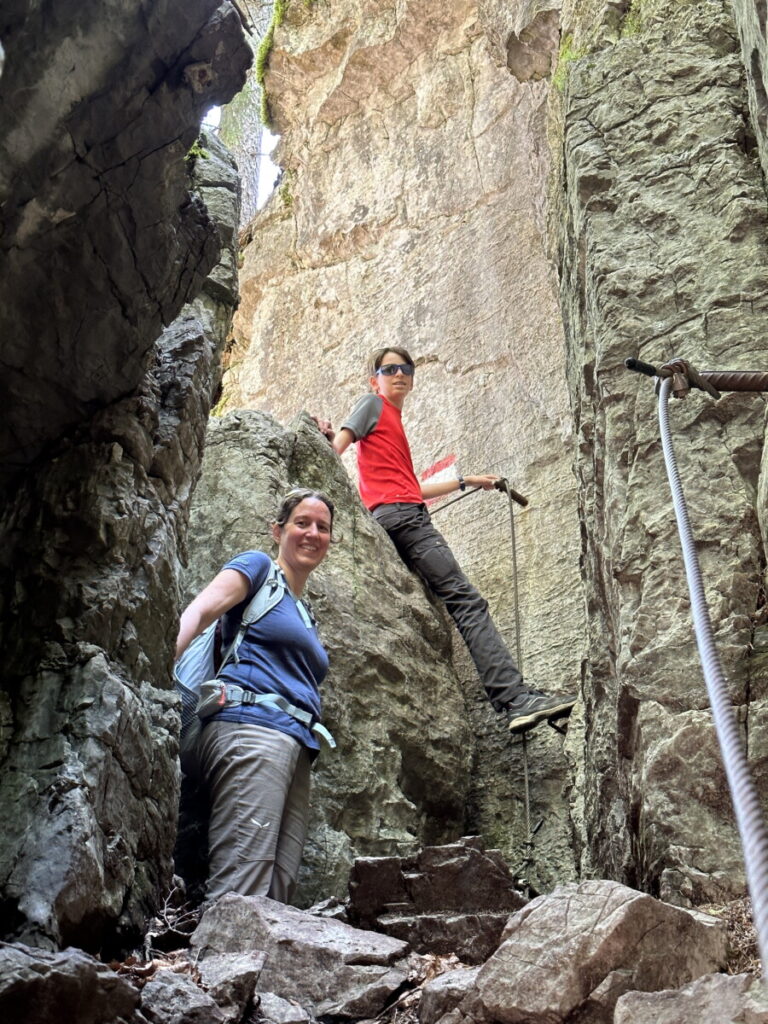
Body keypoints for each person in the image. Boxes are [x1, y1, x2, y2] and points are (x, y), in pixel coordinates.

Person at [318, 346, 576, 733]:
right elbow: (339, 445)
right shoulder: (372, 404)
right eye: (389, 369)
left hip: (396, 513)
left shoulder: (390, 421)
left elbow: (408, 486)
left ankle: (514, 697)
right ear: (376, 378)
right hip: (405, 518)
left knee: (459, 599)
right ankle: (515, 699)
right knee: (466, 601)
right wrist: (324, 447)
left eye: (405, 369)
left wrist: (465, 481)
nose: (399, 374)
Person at [174, 488, 334, 902]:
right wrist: (158, 658)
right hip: (249, 730)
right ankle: (217, 965)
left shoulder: (305, 611)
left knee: (278, 892)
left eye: (322, 527)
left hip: (296, 745)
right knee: (241, 886)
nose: (312, 533)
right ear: (277, 530)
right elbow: (202, 610)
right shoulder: (258, 568)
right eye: (302, 523)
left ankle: (256, 966)